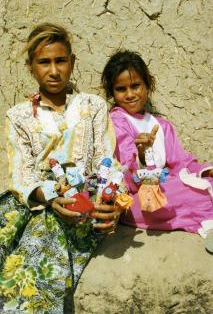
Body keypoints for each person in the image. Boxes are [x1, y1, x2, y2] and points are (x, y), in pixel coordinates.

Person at [0, 23, 121, 313]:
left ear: (72, 62)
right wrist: (49, 197)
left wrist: (112, 203)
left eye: (60, 60)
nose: (54, 70)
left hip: (78, 203)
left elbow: (107, 160)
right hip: (35, 200)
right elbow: (21, 174)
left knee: (33, 266)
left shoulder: (92, 107)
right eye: (44, 62)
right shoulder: (17, 115)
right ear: (31, 67)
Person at [101, 50, 213, 241]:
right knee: (187, 194)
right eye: (121, 89)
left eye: (135, 86)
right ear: (112, 92)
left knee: (205, 183)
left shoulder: (161, 125)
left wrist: (206, 170)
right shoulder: (117, 121)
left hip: (166, 185)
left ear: (147, 85)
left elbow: (182, 163)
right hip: (138, 197)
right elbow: (128, 175)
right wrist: (142, 154)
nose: (129, 94)